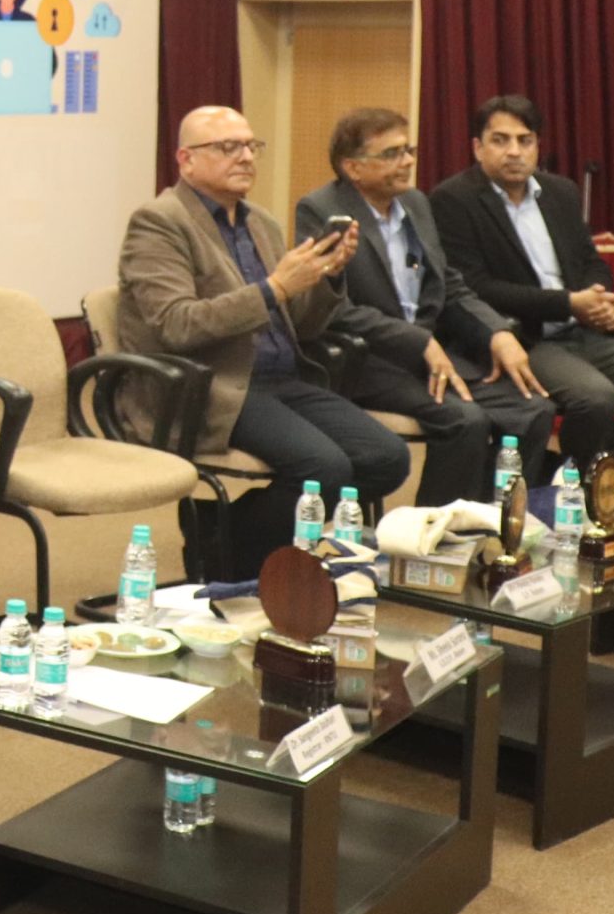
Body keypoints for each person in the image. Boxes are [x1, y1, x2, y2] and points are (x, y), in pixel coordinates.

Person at [116, 107, 409, 579]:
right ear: (186, 160)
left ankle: (224, 534)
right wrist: (274, 288)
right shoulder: (159, 222)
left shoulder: (262, 224)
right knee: (323, 468)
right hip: (213, 386)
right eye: (228, 147)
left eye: (252, 146)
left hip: (283, 377)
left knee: (387, 458)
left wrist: (327, 277)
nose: (246, 157)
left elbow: (303, 327)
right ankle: (248, 570)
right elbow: (176, 324)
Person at [432, 94, 614, 463]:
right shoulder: (454, 199)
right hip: (523, 338)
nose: (514, 151)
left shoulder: (559, 192)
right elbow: (476, 288)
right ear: (477, 147)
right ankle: (581, 474)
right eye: (500, 140)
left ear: (537, 145)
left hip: (585, 331)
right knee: (595, 399)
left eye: (524, 140)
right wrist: (569, 303)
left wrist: (599, 299)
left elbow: (591, 262)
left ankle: (587, 468)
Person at [294, 108, 554, 504]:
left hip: (431, 354)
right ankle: (432, 529)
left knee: (533, 410)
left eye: (408, 151)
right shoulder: (322, 209)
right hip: (370, 359)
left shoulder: (415, 203)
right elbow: (335, 308)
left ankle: (497, 518)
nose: (407, 162)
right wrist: (418, 341)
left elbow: (448, 284)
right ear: (352, 167)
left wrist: (497, 332)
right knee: (465, 421)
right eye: (392, 154)